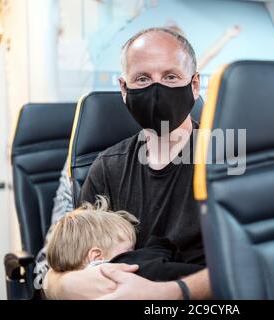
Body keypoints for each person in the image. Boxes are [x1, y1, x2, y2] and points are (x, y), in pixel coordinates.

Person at [44, 28, 211, 300]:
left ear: (194, 85)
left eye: (170, 76)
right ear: (124, 89)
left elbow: (252, 261)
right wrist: (65, 286)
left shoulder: (228, 159)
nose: (157, 90)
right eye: (143, 79)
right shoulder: (107, 167)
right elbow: (64, 262)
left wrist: (170, 293)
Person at [47, 196, 202, 288]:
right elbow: (163, 270)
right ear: (96, 256)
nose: (135, 255)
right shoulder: (116, 269)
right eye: (129, 251)